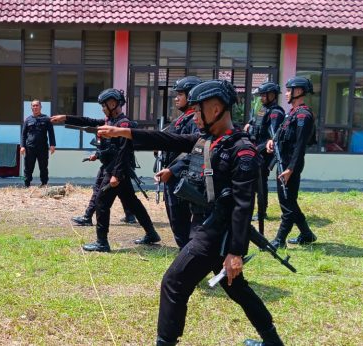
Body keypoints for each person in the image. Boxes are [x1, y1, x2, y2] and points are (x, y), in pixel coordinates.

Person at [97, 80, 284, 346]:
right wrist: (121, 132)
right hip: (204, 224)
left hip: (214, 233)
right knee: (236, 288)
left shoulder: (240, 149)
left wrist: (235, 253)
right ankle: (273, 341)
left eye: (199, 111)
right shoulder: (209, 140)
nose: (194, 116)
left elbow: (243, 206)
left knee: (174, 283)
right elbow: (167, 138)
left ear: (217, 108)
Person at [51, 88, 160, 252]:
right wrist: (66, 118)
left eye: (104, 105)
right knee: (133, 203)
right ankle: (151, 234)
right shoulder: (109, 121)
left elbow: (124, 151)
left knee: (102, 202)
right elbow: (88, 121)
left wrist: (116, 175)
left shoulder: (123, 124)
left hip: (117, 170)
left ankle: (102, 242)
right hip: (113, 168)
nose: (102, 108)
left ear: (113, 103)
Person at [267, 77, 317, 248]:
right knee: (289, 201)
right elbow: (282, 134)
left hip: (290, 165)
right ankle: (307, 234)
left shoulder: (304, 115)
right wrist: (272, 141)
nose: (286, 93)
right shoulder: (292, 113)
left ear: (298, 91)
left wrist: (290, 169)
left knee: (287, 202)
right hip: (284, 162)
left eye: (289, 90)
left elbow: (301, 146)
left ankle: (280, 239)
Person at [154, 76, 202, 248]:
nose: (176, 98)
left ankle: (189, 257)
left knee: (182, 223)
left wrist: (172, 170)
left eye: (180, 94)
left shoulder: (195, 120)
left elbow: (197, 151)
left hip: (184, 179)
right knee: (176, 222)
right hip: (172, 178)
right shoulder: (181, 119)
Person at [244, 82, 285, 225]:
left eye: (263, 94)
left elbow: (274, 137)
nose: (261, 97)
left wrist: (256, 149)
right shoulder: (263, 109)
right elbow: (255, 122)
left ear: (272, 95)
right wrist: (249, 124)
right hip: (256, 149)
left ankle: (262, 211)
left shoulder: (276, 112)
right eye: (260, 94)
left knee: (261, 183)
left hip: (264, 153)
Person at [21, 99, 56, 187]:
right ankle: (27, 184)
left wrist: (52, 145)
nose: (35, 107)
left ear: (40, 107)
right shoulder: (27, 120)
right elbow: (23, 134)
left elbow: (51, 132)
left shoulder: (46, 119)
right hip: (30, 148)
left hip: (43, 148)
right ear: (31, 108)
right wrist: (22, 146)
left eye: (37, 105)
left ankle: (44, 184)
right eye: (33, 106)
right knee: (28, 167)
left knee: (43, 167)